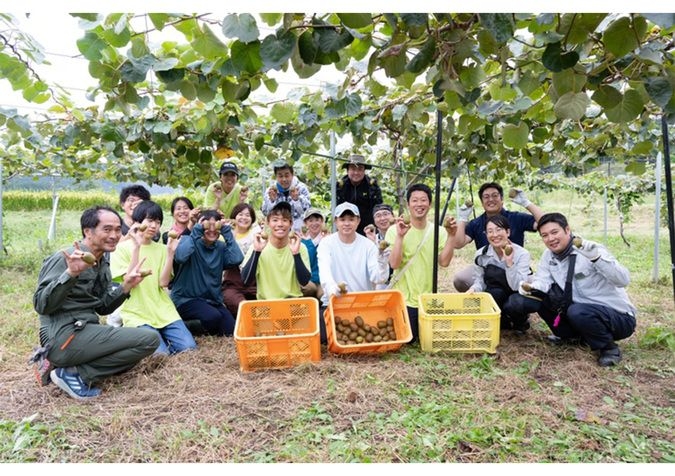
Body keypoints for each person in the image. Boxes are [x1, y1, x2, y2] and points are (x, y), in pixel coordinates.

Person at [32, 206, 160, 400]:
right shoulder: (66, 258)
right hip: (64, 335)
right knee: (148, 339)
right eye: (107, 229)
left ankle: (66, 366)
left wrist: (125, 286)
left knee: (140, 344)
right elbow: (41, 305)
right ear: (88, 232)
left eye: (118, 230)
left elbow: (102, 307)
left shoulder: (102, 262)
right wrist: (70, 274)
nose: (115, 235)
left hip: (85, 329)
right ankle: (75, 374)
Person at [504, 212, 637, 367]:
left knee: (578, 311)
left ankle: (609, 348)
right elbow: (543, 281)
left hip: (617, 317)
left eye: (555, 232)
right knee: (541, 298)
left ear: (567, 230)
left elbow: (623, 280)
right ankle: (570, 335)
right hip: (579, 312)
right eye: (545, 235)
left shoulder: (589, 249)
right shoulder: (549, 256)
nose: (550, 239)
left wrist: (597, 259)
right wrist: (531, 287)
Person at [110, 200, 197, 355]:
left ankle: (160, 335)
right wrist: (136, 248)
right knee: (160, 355)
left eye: (157, 222)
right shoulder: (121, 249)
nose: (154, 226)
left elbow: (163, 282)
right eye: (150, 221)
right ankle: (138, 336)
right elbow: (130, 282)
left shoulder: (163, 249)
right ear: (138, 221)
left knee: (189, 349)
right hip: (137, 312)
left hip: (163, 309)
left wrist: (170, 253)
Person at [385, 183, 457, 343]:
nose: (419, 204)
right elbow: (394, 264)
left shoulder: (438, 231)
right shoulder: (394, 231)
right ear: (408, 204)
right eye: (415, 200)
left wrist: (452, 236)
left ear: (430, 204)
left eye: (423, 200)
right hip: (403, 297)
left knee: (432, 338)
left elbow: (444, 262)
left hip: (428, 298)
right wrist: (400, 237)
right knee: (409, 339)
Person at [317, 202, 389, 344]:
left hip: (361, 303)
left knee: (364, 333)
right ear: (336, 222)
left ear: (358, 221)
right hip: (333, 303)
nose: (347, 224)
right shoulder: (326, 244)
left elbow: (379, 278)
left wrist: (382, 262)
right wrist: (333, 288)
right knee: (325, 338)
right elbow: (324, 271)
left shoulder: (368, 245)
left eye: (351, 219)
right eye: (342, 220)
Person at [453, 182, 544, 292]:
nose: (491, 199)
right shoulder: (476, 223)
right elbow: (458, 244)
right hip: (488, 269)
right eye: (486, 197)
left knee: (534, 287)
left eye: (495, 195)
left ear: (502, 199)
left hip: (515, 265)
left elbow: (544, 224)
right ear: (482, 202)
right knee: (460, 279)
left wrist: (526, 203)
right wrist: (463, 218)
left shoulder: (516, 218)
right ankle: (485, 300)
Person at [169, 209, 244, 336]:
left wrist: (227, 232)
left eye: (215, 225)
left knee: (230, 330)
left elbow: (237, 259)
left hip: (211, 300)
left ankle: (204, 324)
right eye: (208, 225)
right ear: (200, 225)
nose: (212, 229)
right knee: (212, 317)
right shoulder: (188, 240)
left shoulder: (220, 247)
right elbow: (180, 257)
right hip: (186, 299)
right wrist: (197, 230)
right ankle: (185, 325)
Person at [466, 214, 532, 334]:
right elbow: (480, 281)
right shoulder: (481, 255)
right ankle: (501, 321)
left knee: (514, 303)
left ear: (508, 232)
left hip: (515, 293)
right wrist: (473, 289)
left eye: (499, 230)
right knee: (494, 294)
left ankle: (520, 322)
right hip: (497, 293)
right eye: (490, 231)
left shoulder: (522, 254)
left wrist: (509, 263)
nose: (495, 235)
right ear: (486, 235)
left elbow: (518, 286)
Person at [241, 201, 312, 300]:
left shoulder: (300, 247)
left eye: (285, 220)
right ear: (268, 223)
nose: (280, 224)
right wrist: (257, 252)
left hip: (292, 302)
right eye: (275, 220)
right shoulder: (257, 247)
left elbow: (304, 281)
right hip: (266, 305)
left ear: (290, 223)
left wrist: (296, 254)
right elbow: (246, 281)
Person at [221, 203, 260, 318]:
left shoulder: (257, 234)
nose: (244, 218)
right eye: (240, 214)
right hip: (233, 282)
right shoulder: (226, 234)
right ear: (234, 216)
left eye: (248, 215)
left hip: (254, 282)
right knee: (240, 305)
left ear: (252, 219)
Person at [336, 154, 383, 235]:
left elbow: (378, 208)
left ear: (364, 171)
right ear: (347, 170)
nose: (356, 172)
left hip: (367, 229)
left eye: (360, 169)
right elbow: (336, 209)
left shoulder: (372, 186)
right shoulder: (340, 186)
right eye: (353, 169)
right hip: (346, 228)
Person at [261, 161, 311, 232]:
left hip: (298, 231)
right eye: (280, 176)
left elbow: (307, 212)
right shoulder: (271, 191)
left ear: (292, 174)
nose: (284, 179)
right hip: (278, 230)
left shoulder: (301, 188)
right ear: (276, 176)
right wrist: (272, 201)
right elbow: (266, 213)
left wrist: (297, 200)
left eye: (287, 175)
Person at [299, 207, 328, 300]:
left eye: (317, 220)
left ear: (322, 221)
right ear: (306, 223)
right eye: (310, 221)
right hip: (309, 282)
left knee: (325, 295)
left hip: (323, 281)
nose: (314, 223)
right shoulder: (301, 243)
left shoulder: (329, 240)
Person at [365, 203, 395, 290]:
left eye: (386, 214)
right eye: (378, 216)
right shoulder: (373, 240)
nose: (382, 218)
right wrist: (372, 242)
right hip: (383, 285)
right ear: (374, 220)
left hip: (401, 282)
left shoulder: (402, 235)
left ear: (393, 216)